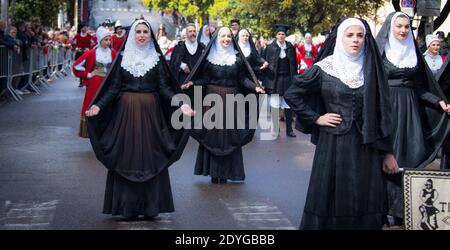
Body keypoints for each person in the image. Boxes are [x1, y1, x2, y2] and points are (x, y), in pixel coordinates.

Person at [284, 17, 397, 230]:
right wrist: (317, 117)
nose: (355, 40)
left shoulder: (373, 69)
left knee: (364, 194)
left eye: (360, 35)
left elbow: (383, 112)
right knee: (332, 195)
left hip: (366, 145)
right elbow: (292, 93)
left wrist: (388, 152)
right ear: (340, 38)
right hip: (333, 144)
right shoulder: (325, 68)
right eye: (350, 35)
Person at [84, 19, 195, 220]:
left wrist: (182, 104)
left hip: (151, 116)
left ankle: (151, 207)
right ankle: (127, 208)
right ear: (133, 35)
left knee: (150, 157)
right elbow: (114, 88)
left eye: (145, 31)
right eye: (139, 32)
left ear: (150, 35)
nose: (142, 35)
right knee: (127, 156)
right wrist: (97, 105)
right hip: (126, 116)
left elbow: (164, 89)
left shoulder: (157, 60)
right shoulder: (122, 59)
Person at [375, 12, 450, 227]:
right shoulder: (380, 53)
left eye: (407, 27)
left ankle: (401, 211)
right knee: (383, 159)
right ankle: (380, 211)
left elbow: (419, 88)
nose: (403, 30)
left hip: (410, 112)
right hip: (386, 110)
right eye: (399, 26)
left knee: (408, 158)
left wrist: (438, 102)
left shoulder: (414, 54)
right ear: (390, 27)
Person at [181, 27, 265, 184]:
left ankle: (227, 173)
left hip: (232, 101)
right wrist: (192, 82)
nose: (226, 39)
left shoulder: (238, 59)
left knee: (230, 137)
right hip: (212, 101)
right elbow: (205, 80)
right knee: (212, 136)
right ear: (217, 38)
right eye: (223, 36)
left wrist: (255, 87)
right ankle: (213, 172)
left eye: (228, 36)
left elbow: (242, 79)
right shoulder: (209, 58)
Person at [72, 26, 116, 138]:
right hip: (94, 86)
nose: (108, 42)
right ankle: (93, 133)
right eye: (105, 40)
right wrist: (88, 74)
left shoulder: (113, 53)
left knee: (108, 107)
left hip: (108, 85)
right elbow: (76, 65)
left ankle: (106, 133)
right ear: (100, 40)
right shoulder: (92, 53)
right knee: (93, 106)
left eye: (109, 39)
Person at [262, 24, 298, 137]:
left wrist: (295, 79)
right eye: (279, 34)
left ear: (285, 35)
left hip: (287, 78)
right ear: (276, 35)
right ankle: (275, 129)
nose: (281, 36)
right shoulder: (270, 48)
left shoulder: (290, 47)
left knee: (287, 104)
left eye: (283, 34)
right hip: (274, 80)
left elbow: (294, 64)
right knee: (275, 104)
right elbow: (264, 63)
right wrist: (264, 81)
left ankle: (289, 130)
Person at [169, 23, 204, 100]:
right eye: (190, 31)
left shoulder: (202, 47)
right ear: (186, 33)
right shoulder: (179, 47)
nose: (192, 33)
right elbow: (173, 63)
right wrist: (181, 65)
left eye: (194, 31)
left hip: (198, 84)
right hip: (183, 84)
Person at [72, 23, 96, 87]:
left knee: (86, 67)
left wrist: (89, 49)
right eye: (83, 28)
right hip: (79, 54)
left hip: (87, 54)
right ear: (80, 29)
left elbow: (94, 44)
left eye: (85, 27)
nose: (84, 29)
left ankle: (86, 81)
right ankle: (80, 81)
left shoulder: (89, 36)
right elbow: (72, 43)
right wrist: (76, 48)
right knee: (79, 67)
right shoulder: (77, 36)